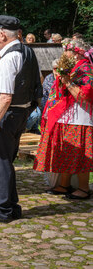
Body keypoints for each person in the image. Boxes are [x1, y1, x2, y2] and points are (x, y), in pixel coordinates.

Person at [0, 15, 41, 223]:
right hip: (20, 113)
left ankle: (3, 209)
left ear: (3, 34)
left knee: (1, 162)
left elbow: (5, 96)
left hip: (7, 116)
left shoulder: (9, 57)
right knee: (6, 161)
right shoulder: (27, 51)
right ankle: (12, 206)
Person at [34, 39, 93, 200]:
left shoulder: (86, 68)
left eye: (67, 50)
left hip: (81, 117)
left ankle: (83, 187)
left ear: (76, 53)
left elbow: (84, 95)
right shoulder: (75, 68)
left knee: (79, 152)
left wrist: (66, 81)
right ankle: (64, 184)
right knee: (67, 150)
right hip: (68, 115)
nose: (64, 53)